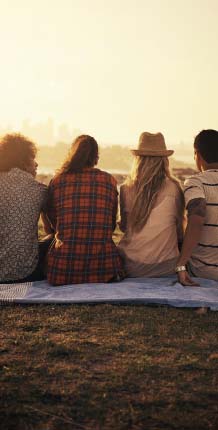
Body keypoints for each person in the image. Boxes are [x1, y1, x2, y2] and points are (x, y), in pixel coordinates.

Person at [46, 134, 125, 285]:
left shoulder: (57, 181)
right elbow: (111, 224)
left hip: (62, 271)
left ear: (72, 154)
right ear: (96, 157)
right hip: (105, 270)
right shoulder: (109, 181)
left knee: (47, 242)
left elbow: (53, 221)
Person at [118, 132, 184, 277]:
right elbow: (179, 232)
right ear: (164, 160)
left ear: (138, 159)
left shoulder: (125, 188)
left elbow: (124, 227)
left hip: (132, 267)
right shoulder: (175, 187)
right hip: (166, 267)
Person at [0, 133, 50, 283]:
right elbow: (52, 229)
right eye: (33, 158)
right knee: (54, 238)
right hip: (25, 272)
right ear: (23, 161)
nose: (36, 164)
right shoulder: (40, 190)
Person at [176, 129, 218, 285]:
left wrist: (181, 266)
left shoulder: (195, 182)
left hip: (205, 271)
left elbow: (196, 219)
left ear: (197, 155)